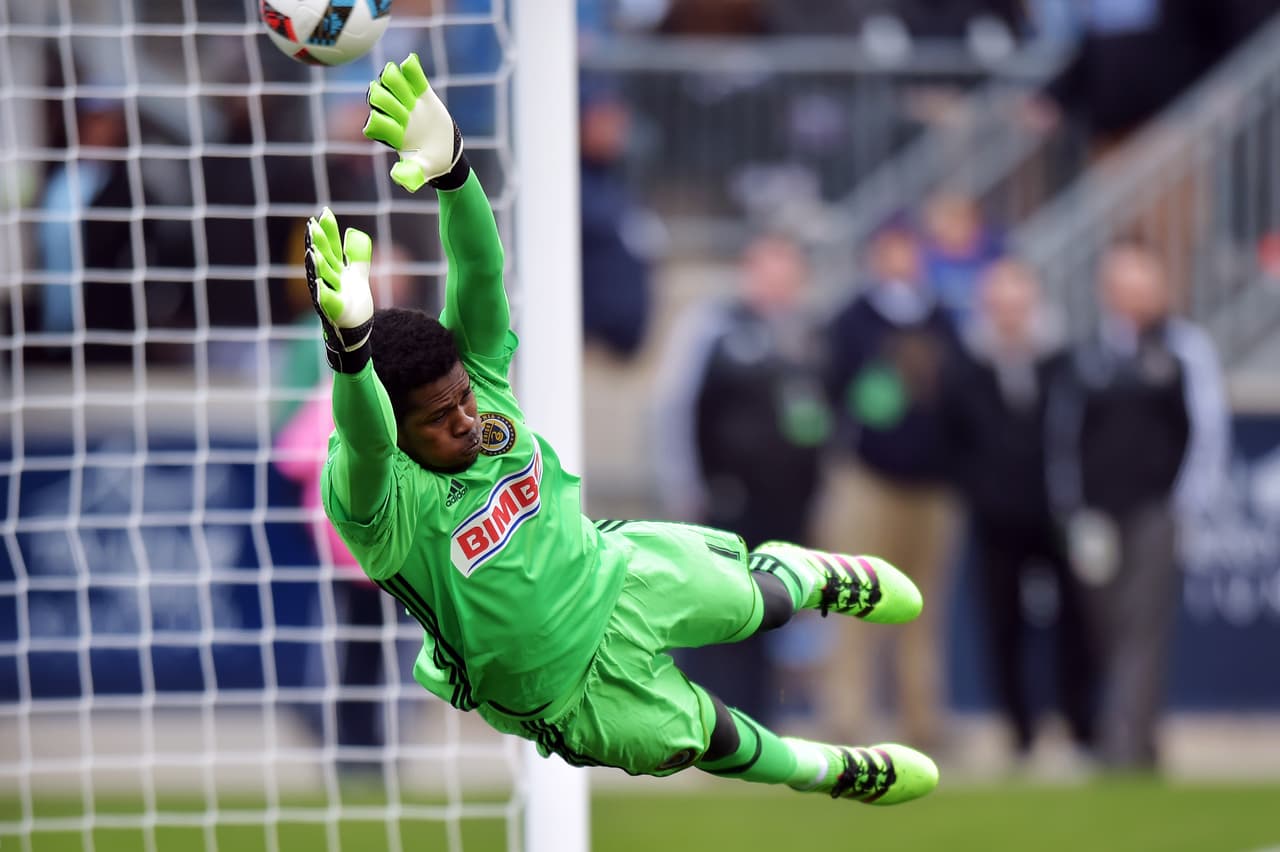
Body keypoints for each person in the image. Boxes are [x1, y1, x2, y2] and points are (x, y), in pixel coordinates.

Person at [300, 53, 939, 803]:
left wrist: (455, 174)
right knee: (702, 735)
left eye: (466, 399)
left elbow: (478, 273)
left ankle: (822, 575)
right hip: (558, 690)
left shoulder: (481, 389)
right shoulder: (382, 501)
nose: (469, 420)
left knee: (756, 603)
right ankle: (831, 771)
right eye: (441, 420)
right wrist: (349, 353)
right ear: (401, 427)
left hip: (620, 574)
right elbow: (368, 436)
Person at [1044, 240, 1216, 771]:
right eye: (1121, 281)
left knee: (1143, 629)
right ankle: (1136, 739)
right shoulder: (1086, 355)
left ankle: (1123, 748)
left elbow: (1206, 433)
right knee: (1106, 627)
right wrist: (1072, 512)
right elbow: (1063, 440)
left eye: (1141, 280)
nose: (1131, 292)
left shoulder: (1184, 348)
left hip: (1155, 512)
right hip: (1096, 517)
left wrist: (1186, 505)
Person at [652, 231, 831, 724]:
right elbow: (674, 406)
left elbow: (817, 422)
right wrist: (684, 487)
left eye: (788, 273)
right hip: (722, 502)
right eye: (769, 270)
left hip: (786, 508)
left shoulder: (806, 335)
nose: (779, 283)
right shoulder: (712, 327)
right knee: (719, 613)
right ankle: (702, 725)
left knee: (772, 614)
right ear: (749, 271)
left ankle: (759, 724)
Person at [938, 259, 1096, 765]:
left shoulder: (1064, 360)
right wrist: (981, 490)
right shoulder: (966, 363)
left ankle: (1079, 728)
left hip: (1058, 514)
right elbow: (952, 440)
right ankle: (1020, 733)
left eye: (1018, 302)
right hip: (996, 518)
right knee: (1002, 625)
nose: (1010, 314)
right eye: (1000, 303)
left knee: (1075, 624)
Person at [812, 216, 959, 752]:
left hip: (932, 487)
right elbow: (828, 388)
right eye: (890, 248)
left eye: (907, 248)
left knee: (923, 610)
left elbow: (958, 393)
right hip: (867, 480)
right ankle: (846, 719)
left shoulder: (942, 317)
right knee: (854, 603)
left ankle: (923, 722)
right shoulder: (852, 318)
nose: (899, 258)